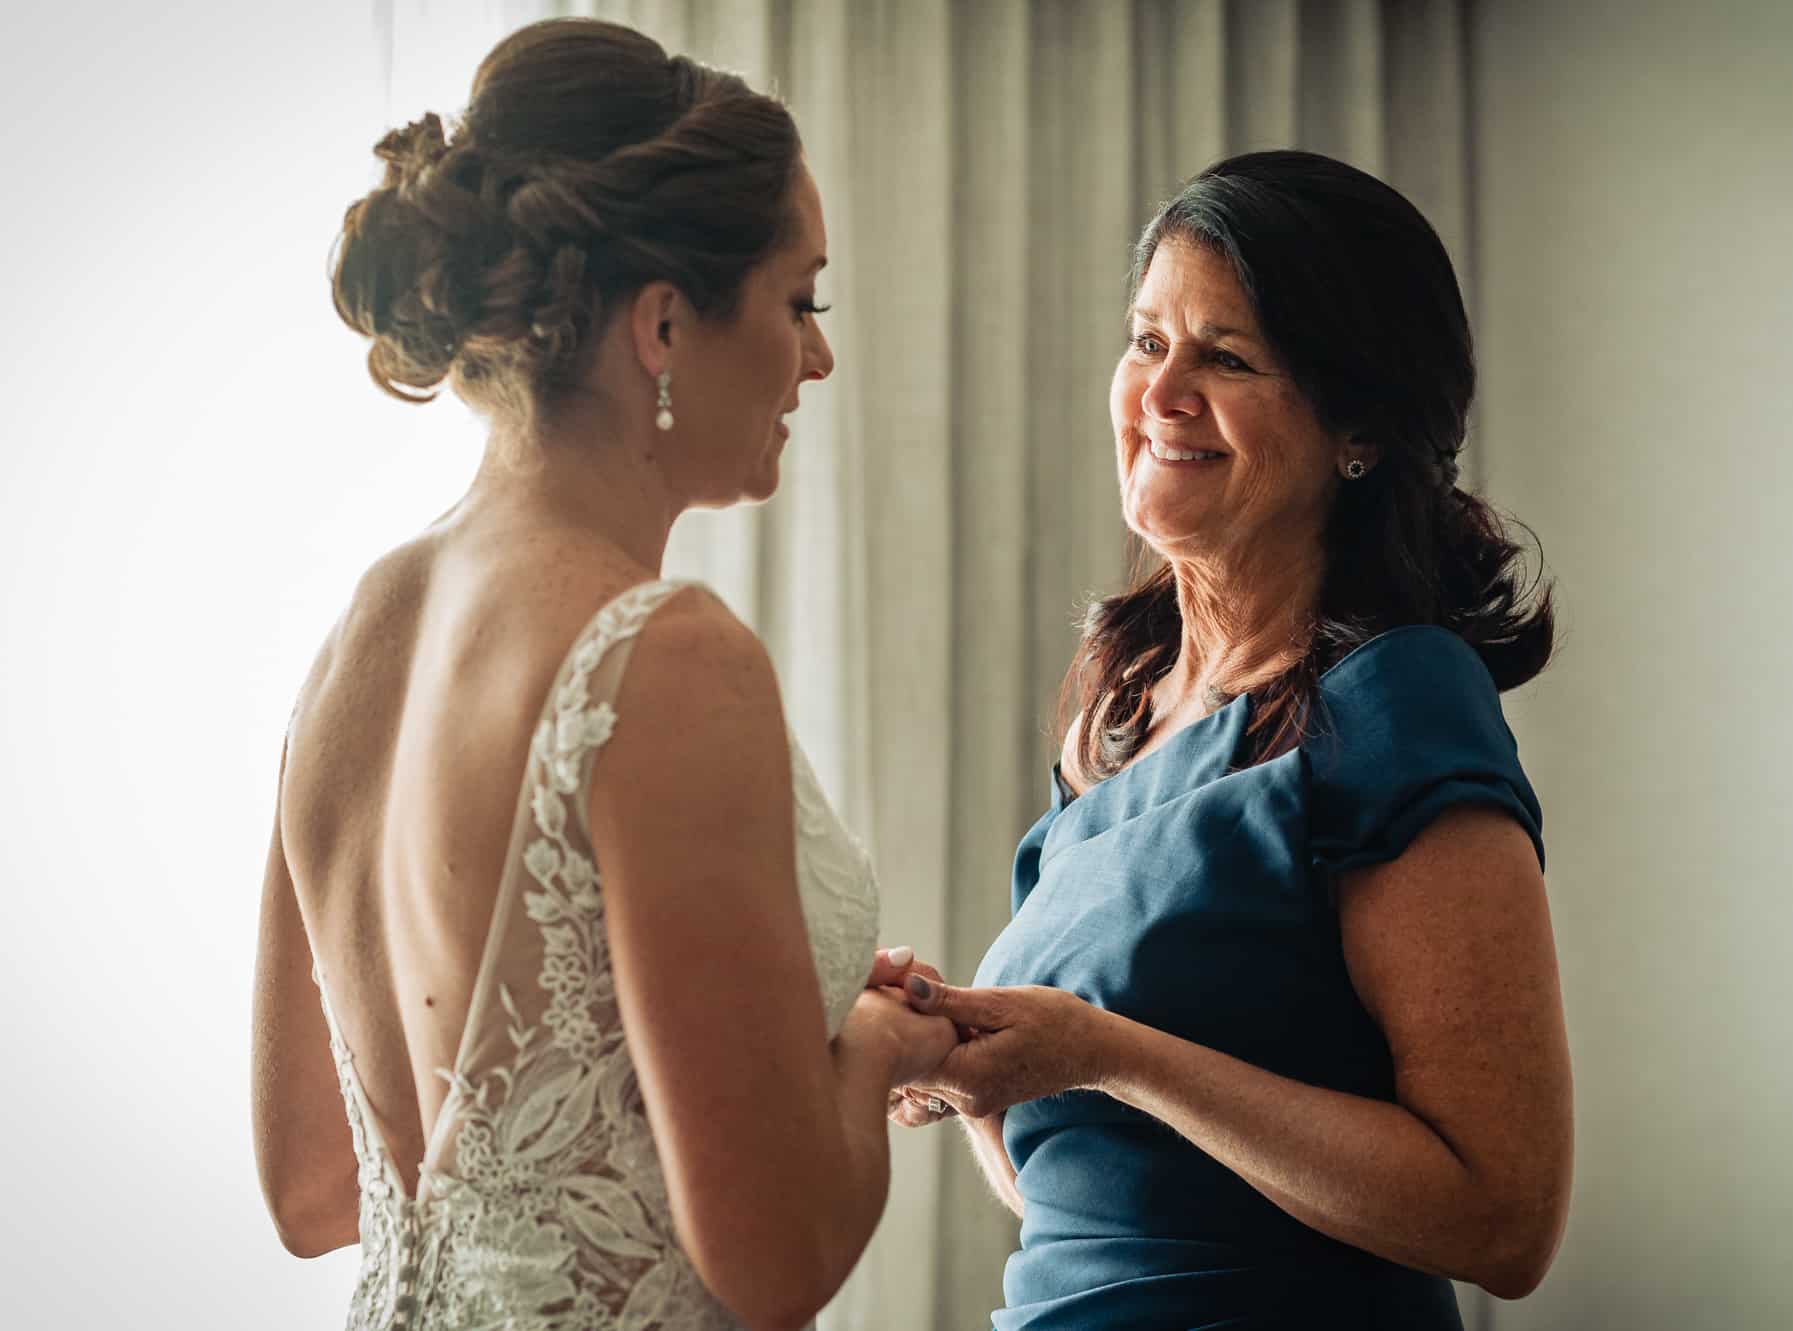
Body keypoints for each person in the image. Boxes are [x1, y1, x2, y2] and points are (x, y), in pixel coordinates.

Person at [249, 20, 955, 1331]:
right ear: (667, 324)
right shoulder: (666, 658)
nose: (817, 358)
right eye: (801, 300)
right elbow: (776, 1255)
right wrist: (881, 1046)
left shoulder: (350, 645)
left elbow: (308, 1187)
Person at [890, 151, 1574, 1328]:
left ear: (1356, 426)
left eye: (1225, 356)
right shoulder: (1117, 707)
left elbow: (1500, 1216)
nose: (1160, 394)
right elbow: (1084, 1193)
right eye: (1147, 340)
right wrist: (972, 1068)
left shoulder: (1398, 700)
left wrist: (1107, 1050)